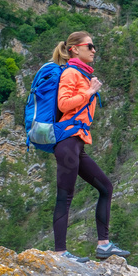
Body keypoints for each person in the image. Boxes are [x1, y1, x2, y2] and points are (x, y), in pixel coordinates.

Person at [51, 31, 130, 263]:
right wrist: (89, 92)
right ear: (74, 49)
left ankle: (104, 245)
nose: (94, 50)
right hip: (66, 142)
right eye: (90, 46)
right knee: (64, 196)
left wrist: (89, 89)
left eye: (94, 46)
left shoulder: (84, 75)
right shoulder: (71, 73)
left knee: (105, 187)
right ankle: (60, 254)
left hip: (77, 144)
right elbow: (64, 104)